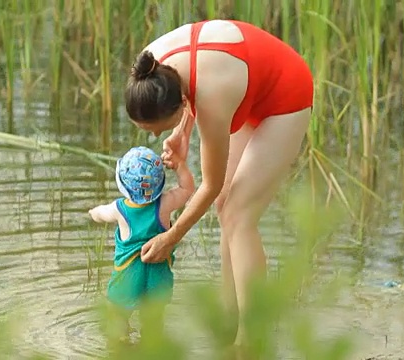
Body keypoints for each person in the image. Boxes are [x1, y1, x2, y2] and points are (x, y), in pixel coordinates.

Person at [122, 19, 314, 346]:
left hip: (285, 94)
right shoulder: (150, 68)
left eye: (156, 128)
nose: (155, 136)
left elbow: (210, 185)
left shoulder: (212, 97)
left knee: (239, 214)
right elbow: (185, 89)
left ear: (181, 104)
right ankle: (229, 316)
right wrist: (181, 132)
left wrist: (171, 237)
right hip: (246, 82)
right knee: (228, 206)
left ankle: (252, 337)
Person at [88, 146, 194, 343]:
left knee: (117, 314)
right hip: (158, 276)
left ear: (124, 185)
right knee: (153, 321)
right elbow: (187, 190)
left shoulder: (119, 209)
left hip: (128, 275)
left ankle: (122, 344)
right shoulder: (165, 204)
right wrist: (179, 166)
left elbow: (99, 214)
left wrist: (93, 212)